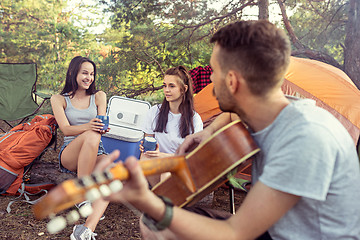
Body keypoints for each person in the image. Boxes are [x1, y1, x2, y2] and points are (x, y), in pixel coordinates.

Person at [97, 20, 360, 239]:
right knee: (155, 227)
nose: (209, 81)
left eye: (214, 73)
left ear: (232, 81)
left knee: (158, 218)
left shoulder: (305, 139)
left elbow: (236, 233)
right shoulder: (279, 108)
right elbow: (234, 113)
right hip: (273, 230)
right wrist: (209, 132)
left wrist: (147, 200)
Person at [51, 56, 110, 240]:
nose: (89, 78)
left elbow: (99, 128)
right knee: (92, 134)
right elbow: (66, 130)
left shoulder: (99, 96)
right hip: (71, 153)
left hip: (96, 151)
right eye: (84, 73)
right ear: (72, 73)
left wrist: (102, 128)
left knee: (112, 174)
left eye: (92, 74)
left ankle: (86, 230)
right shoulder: (59, 99)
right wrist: (90, 127)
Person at [140, 65, 203, 186]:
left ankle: (162, 199)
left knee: (167, 171)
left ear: (184, 89)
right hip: (158, 165)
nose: (166, 90)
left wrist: (163, 156)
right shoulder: (154, 112)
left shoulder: (195, 119)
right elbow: (148, 142)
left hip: (181, 167)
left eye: (171, 86)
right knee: (145, 158)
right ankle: (159, 196)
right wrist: (146, 148)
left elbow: (192, 157)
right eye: (164, 85)